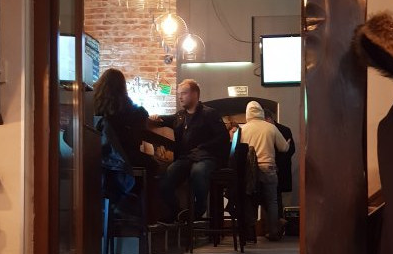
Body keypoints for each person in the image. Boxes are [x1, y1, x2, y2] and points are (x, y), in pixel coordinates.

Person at [151, 79, 229, 223]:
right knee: (165, 181)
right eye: (179, 94)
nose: (180, 97)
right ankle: (179, 213)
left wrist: (202, 147)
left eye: (184, 93)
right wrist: (157, 117)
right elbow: (167, 119)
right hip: (186, 158)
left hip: (206, 157)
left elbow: (223, 137)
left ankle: (199, 210)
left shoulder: (209, 113)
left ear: (195, 94)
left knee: (198, 171)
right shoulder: (180, 116)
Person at [93, 67, 160, 221]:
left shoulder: (93, 106)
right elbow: (136, 139)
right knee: (152, 165)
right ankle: (139, 211)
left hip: (99, 158)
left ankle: (113, 207)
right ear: (123, 87)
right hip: (125, 158)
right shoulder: (130, 109)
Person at [240, 101, 290, 241]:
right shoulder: (270, 128)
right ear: (261, 112)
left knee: (251, 201)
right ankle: (273, 232)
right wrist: (288, 143)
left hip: (250, 172)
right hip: (269, 168)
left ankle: (250, 233)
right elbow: (283, 148)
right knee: (271, 201)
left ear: (248, 113)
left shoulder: (243, 129)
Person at [264, 108, 295, 216]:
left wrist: (277, 165)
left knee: (280, 199)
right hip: (272, 168)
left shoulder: (284, 130)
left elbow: (291, 150)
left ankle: (280, 221)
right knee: (271, 199)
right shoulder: (269, 130)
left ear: (268, 119)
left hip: (282, 169)